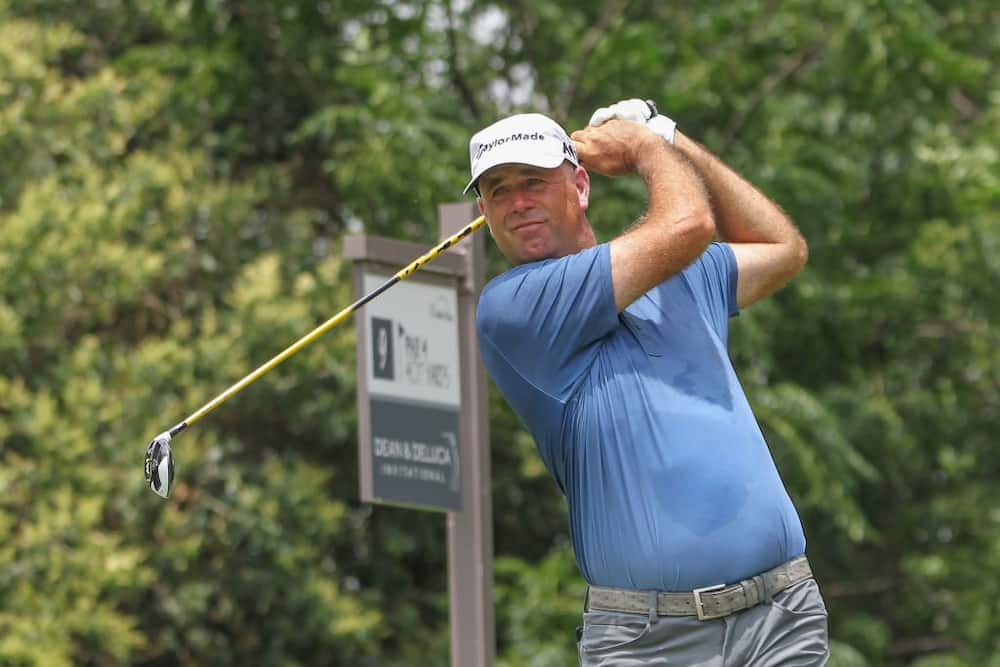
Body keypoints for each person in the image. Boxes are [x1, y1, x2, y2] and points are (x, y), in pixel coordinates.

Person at [466, 99, 828, 666]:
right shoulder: (512, 308)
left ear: (579, 186)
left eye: (533, 181)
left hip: (780, 614)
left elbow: (783, 249)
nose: (517, 203)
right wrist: (641, 146)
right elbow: (689, 223)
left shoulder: (683, 275)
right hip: (648, 641)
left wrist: (670, 136)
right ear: (485, 211)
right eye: (498, 191)